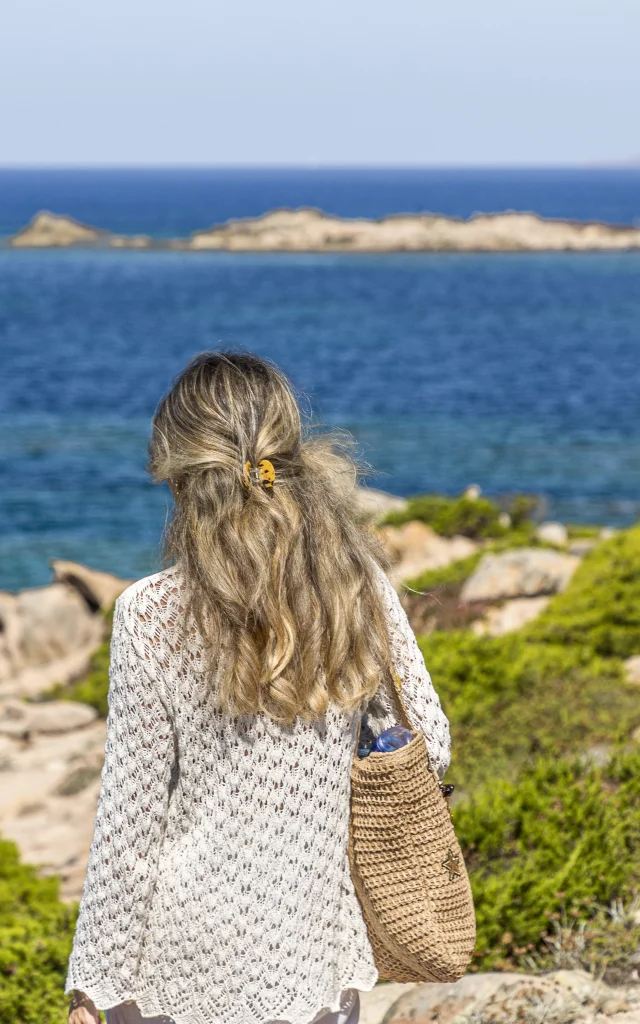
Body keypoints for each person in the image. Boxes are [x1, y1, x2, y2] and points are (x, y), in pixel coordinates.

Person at [65, 351, 451, 1024]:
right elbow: (431, 746)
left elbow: (131, 825)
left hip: (179, 969)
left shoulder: (151, 613)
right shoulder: (359, 589)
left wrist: (92, 987)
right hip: (319, 957)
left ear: (177, 471)